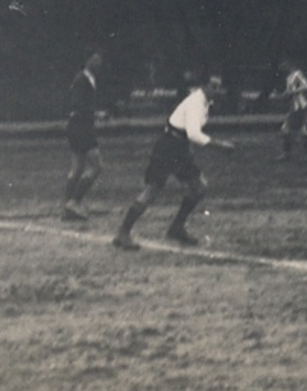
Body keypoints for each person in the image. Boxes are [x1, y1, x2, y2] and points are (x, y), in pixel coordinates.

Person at [112, 71, 235, 250]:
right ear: (204, 86)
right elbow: (193, 133)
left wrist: (188, 151)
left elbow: (188, 132)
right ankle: (123, 233)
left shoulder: (204, 102)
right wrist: (220, 145)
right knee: (152, 190)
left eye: (218, 86)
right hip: (168, 147)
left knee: (199, 186)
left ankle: (176, 228)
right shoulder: (196, 103)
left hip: (179, 147)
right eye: (212, 86)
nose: (216, 90)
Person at [61, 51, 105, 221]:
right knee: (96, 166)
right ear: (87, 60)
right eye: (94, 58)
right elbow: (78, 105)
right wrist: (97, 114)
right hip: (82, 127)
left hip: (77, 126)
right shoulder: (82, 80)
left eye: (99, 59)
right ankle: (74, 202)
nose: (98, 62)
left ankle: (67, 207)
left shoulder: (85, 79)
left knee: (77, 168)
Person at [277, 59, 307, 161]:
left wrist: (292, 92)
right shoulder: (289, 77)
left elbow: (306, 86)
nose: (282, 67)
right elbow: (290, 91)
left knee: (297, 130)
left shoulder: (297, 74)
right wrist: (284, 95)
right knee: (293, 130)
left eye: (284, 64)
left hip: (301, 107)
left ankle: (303, 154)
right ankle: (291, 154)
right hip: (295, 107)